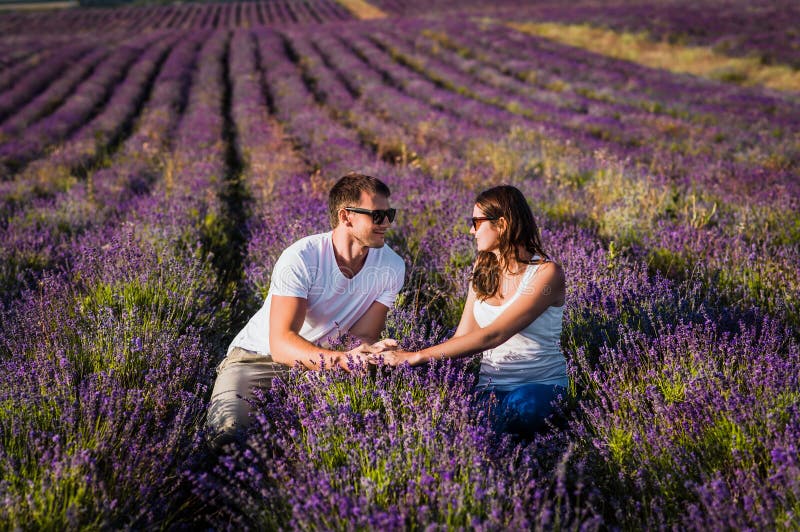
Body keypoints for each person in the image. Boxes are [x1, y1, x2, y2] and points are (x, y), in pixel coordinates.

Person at [206, 173, 406, 449]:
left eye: (389, 214)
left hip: (324, 365)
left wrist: (365, 353)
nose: (387, 223)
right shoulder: (302, 257)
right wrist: (343, 361)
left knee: (350, 437)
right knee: (227, 437)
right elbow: (281, 344)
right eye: (377, 215)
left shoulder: (392, 266)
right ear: (346, 216)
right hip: (257, 360)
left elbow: (363, 334)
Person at [375, 185, 566, 437]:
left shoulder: (546, 274)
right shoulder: (482, 267)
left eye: (476, 222)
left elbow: (493, 335)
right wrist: (401, 361)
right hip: (490, 388)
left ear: (502, 224)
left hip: (540, 386)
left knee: (522, 408)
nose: (471, 230)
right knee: (448, 419)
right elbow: (462, 336)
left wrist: (416, 356)